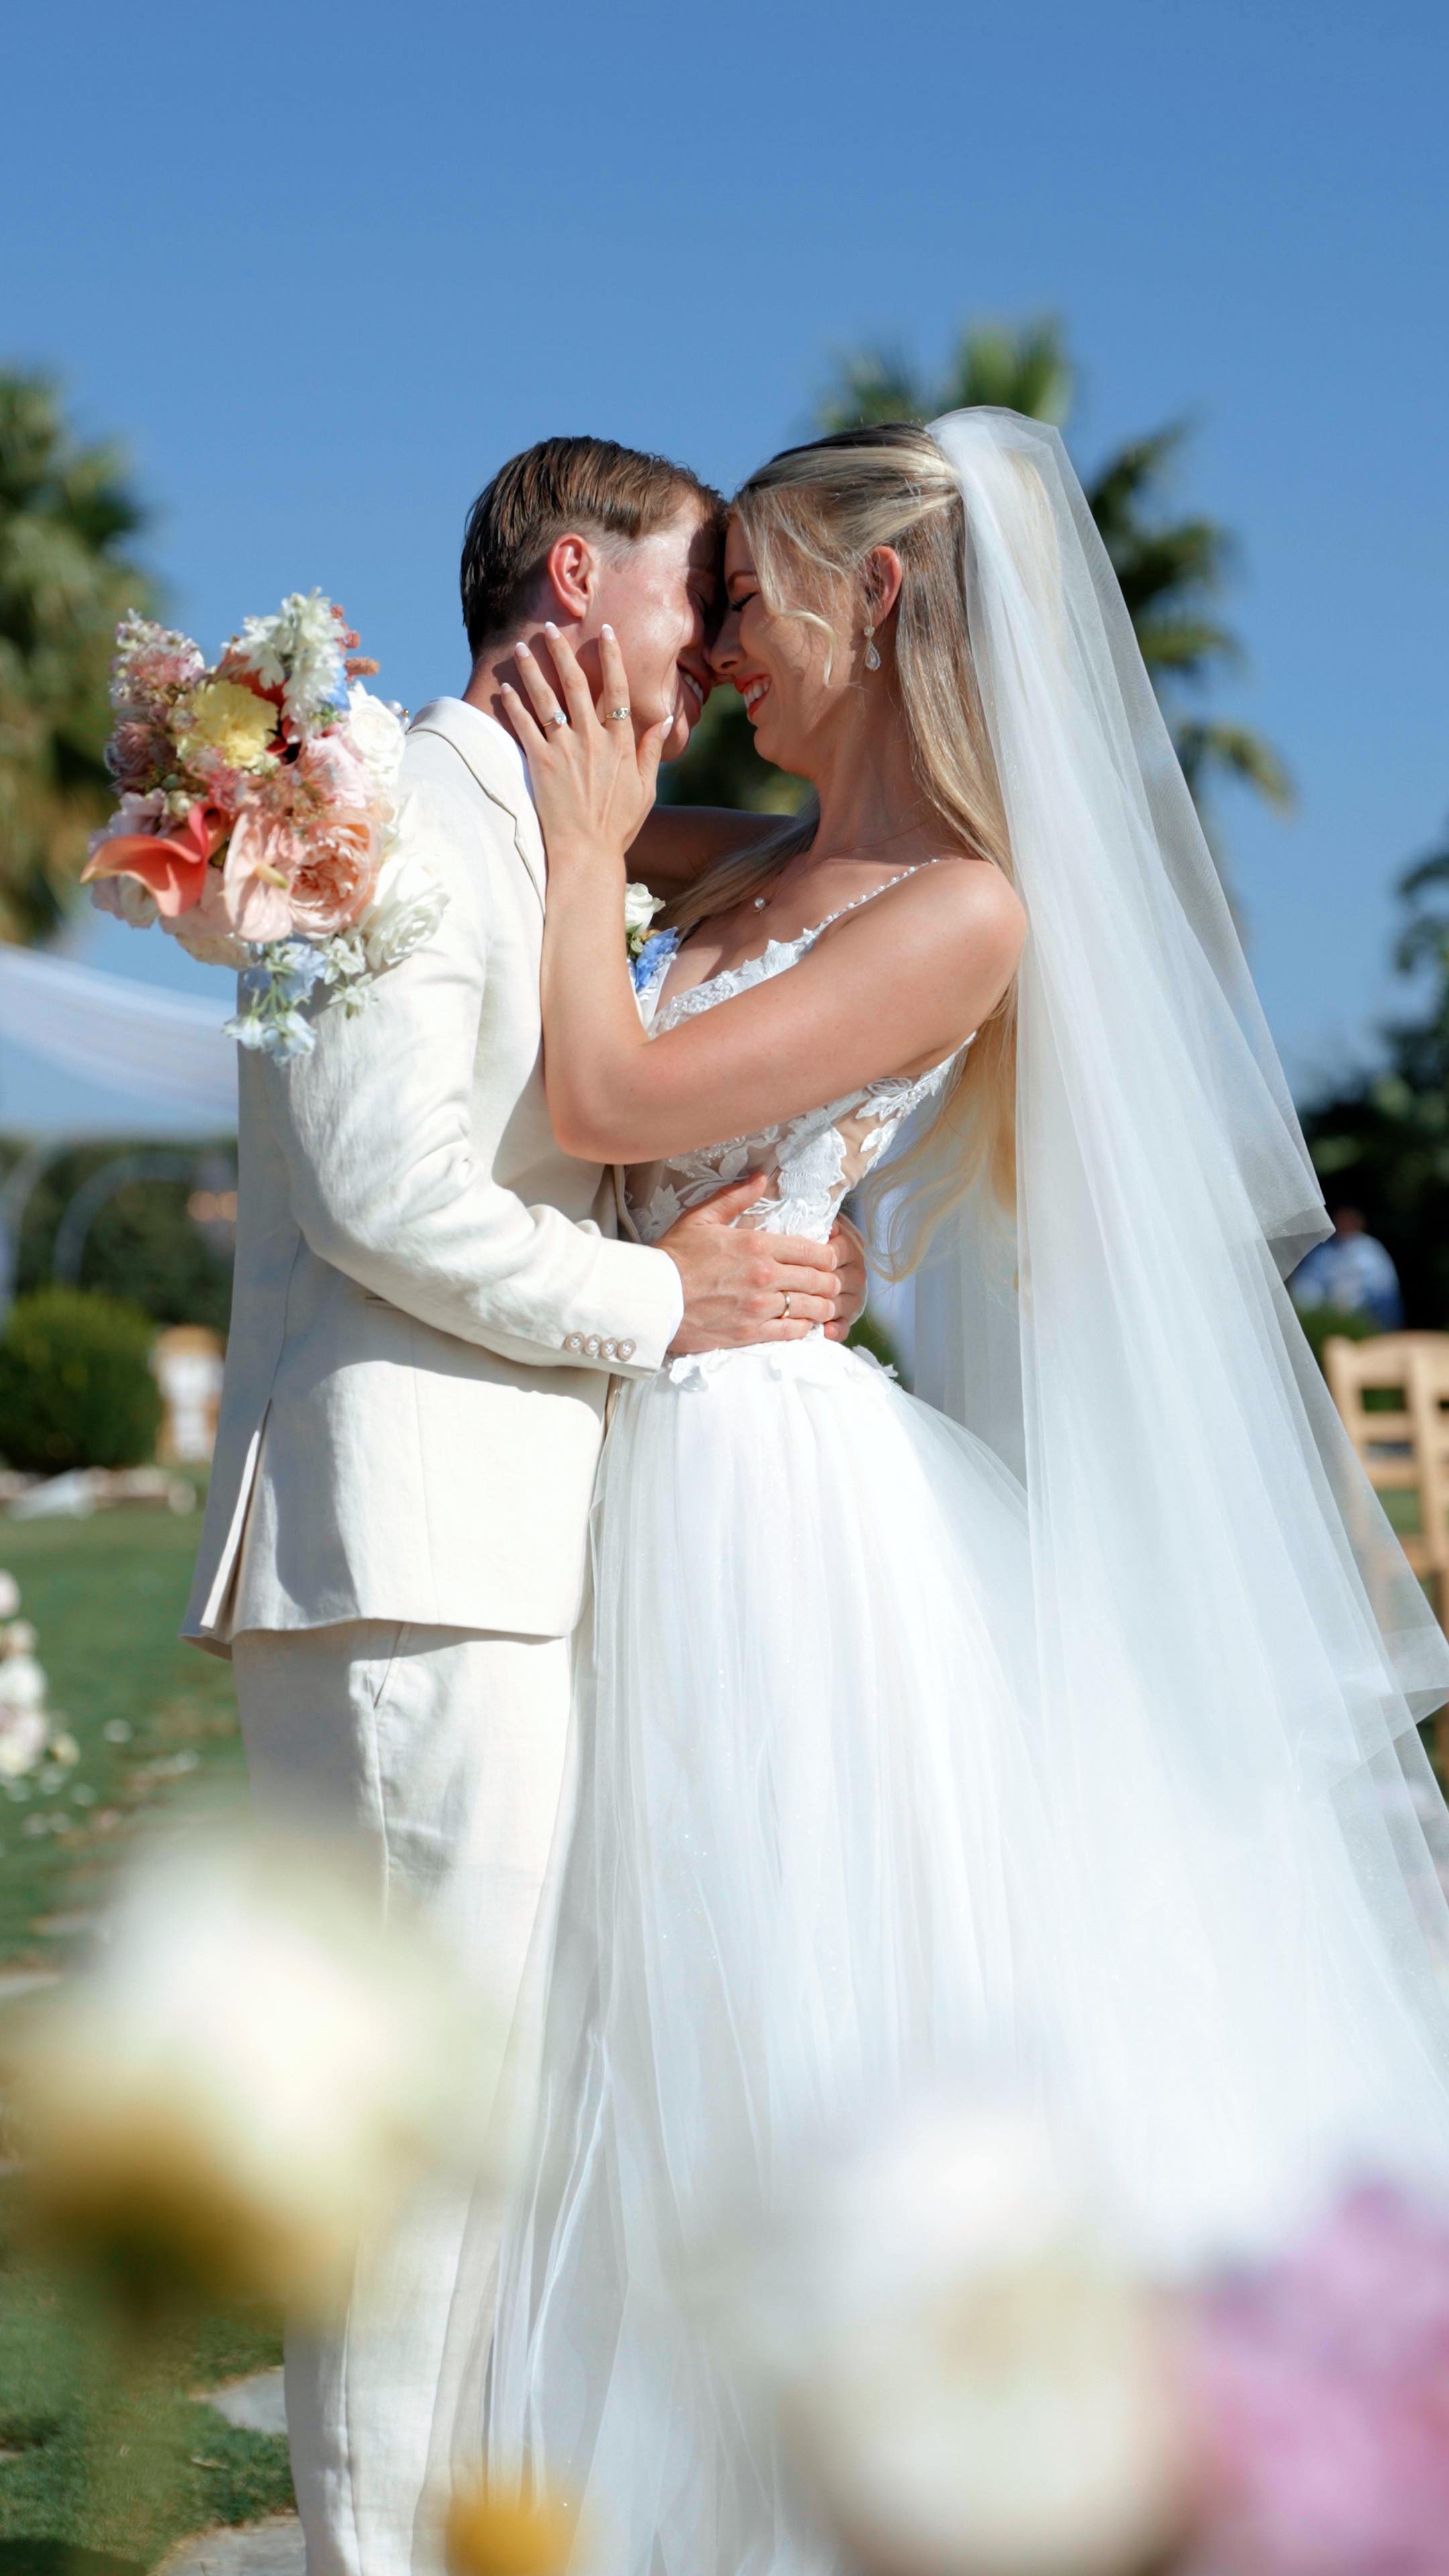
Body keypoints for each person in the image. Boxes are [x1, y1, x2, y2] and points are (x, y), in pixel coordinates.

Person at [461, 415, 1449, 2575]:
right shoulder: (742, 851)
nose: (719, 647)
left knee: (765, 1993)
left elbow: (610, 1088)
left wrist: (586, 843)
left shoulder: (965, 909)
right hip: (622, 1431)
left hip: (763, 1495)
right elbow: (501, 815)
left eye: (750, 600)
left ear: (878, 598)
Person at [182, 435, 865, 2576]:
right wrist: (666, 1301)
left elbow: (827, 857)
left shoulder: (546, 821)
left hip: (497, 1557)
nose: (716, 644)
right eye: (696, 592)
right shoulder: (385, 798)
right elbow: (381, 1186)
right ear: (577, 579)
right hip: (410, 1565)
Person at [1291, 1203, 1404, 1328]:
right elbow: (1307, 1283)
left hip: (1365, 1316)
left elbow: (1383, 1288)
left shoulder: (1372, 1251)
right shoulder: (1323, 1252)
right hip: (1329, 1316)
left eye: (1349, 1221)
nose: (1345, 1224)